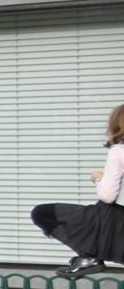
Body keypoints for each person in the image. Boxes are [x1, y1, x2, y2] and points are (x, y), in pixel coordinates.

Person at [32, 104, 124, 278]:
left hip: (114, 223)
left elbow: (108, 196)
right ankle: (89, 255)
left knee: (41, 213)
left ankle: (88, 256)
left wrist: (99, 178)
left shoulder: (118, 151)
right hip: (116, 230)